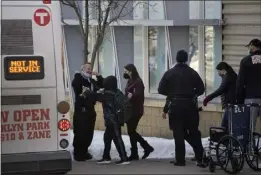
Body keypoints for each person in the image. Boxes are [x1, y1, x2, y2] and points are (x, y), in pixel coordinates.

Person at [158, 50, 207, 167]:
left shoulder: (169, 73)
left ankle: (180, 160)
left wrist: (172, 93)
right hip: (190, 107)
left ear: (176, 58)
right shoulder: (192, 73)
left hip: (175, 106)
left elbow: (160, 89)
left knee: (178, 133)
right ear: (187, 59)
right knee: (194, 132)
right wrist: (192, 93)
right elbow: (201, 89)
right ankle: (200, 157)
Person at [83, 76, 130, 165]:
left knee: (117, 138)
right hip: (113, 120)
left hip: (113, 121)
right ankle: (106, 157)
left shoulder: (108, 95)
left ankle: (124, 158)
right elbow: (99, 92)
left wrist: (87, 91)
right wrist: (94, 81)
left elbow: (95, 96)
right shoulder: (115, 91)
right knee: (107, 138)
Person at [71, 63, 103, 161]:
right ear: (82, 69)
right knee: (80, 132)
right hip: (81, 110)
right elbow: (75, 85)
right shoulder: (79, 79)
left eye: (90, 69)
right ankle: (78, 154)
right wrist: (78, 74)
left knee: (89, 133)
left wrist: (98, 76)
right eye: (87, 68)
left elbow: (101, 86)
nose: (89, 70)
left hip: (90, 110)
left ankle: (84, 151)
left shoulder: (91, 81)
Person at [124, 64, 154, 161]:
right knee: (131, 131)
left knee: (131, 131)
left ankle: (146, 147)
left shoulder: (138, 82)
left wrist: (131, 95)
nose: (125, 72)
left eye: (126, 71)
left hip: (136, 110)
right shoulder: (130, 80)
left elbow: (139, 95)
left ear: (131, 71)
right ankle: (135, 153)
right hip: (130, 109)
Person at [203, 62, 237, 130]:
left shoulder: (228, 77)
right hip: (232, 104)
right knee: (228, 127)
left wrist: (208, 98)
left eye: (219, 71)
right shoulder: (232, 75)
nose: (218, 73)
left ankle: (225, 140)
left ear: (223, 70)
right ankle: (227, 140)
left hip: (229, 104)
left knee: (224, 127)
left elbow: (221, 90)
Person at [236, 38, 261, 131]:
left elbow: (240, 82)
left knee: (250, 127)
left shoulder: (245, 61)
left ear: (253, 47)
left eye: (249, 47)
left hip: (251, 98)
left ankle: (251, 144)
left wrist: (239, 100)